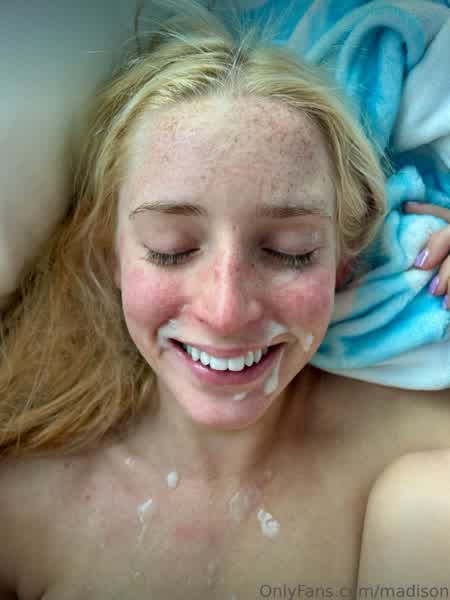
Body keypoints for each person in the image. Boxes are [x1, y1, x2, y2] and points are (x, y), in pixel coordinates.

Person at [0, 1, 449, 598]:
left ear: (344, 262)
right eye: (172, 249)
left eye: (290, 251)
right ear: (110, 254)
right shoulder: (19, 518)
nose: (226, 311)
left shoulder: (424, 461)